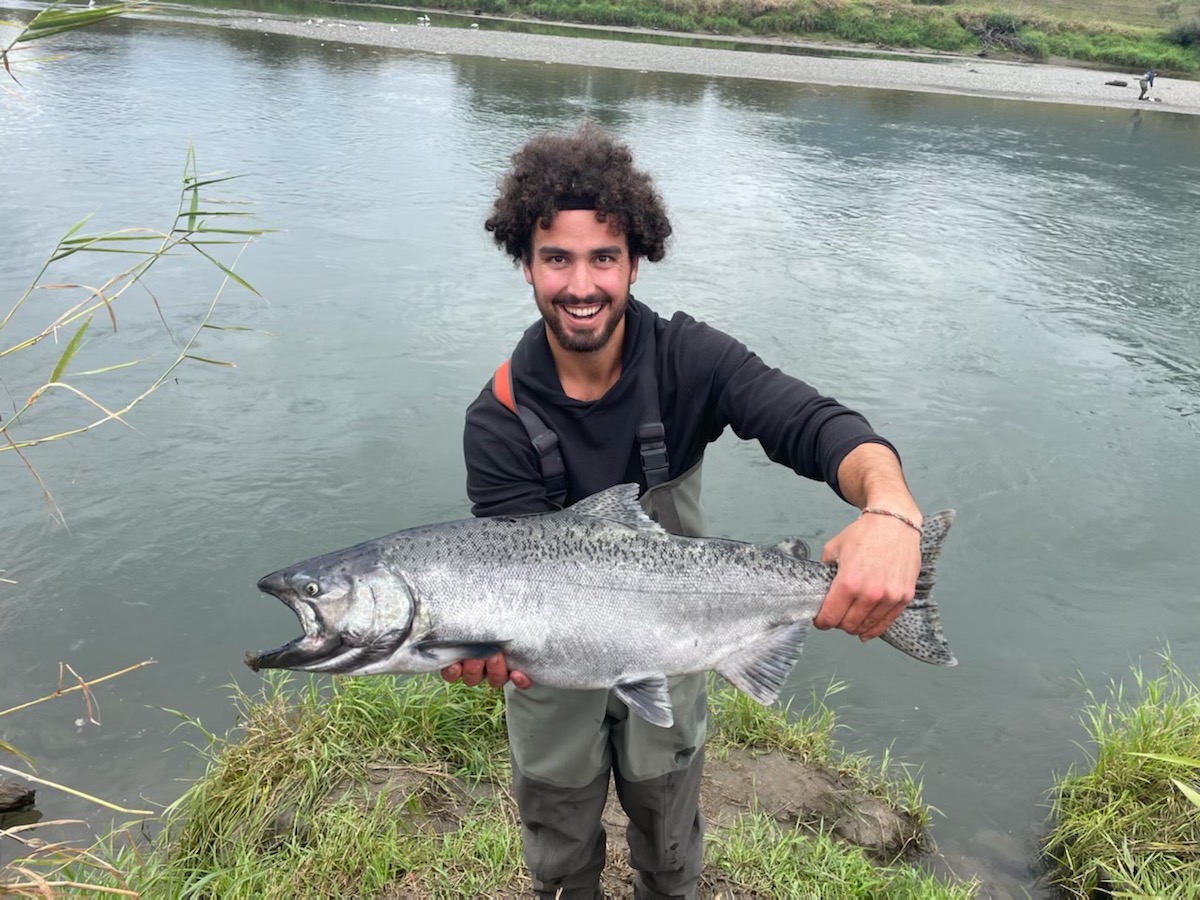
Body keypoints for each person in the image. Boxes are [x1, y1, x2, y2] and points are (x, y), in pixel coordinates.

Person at [442, 121, 926, 900]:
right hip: (549, 660)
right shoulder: (497, 415)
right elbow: (506, 571)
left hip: (681, 625)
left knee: (669, 838)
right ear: (525, 264)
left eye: (604, 257)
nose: (581, 285)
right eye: (556, 258)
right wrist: (476, 645)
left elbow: (812, 423)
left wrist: (890, 505)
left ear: (635, 260)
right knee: (558, 844)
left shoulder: (689, 360)